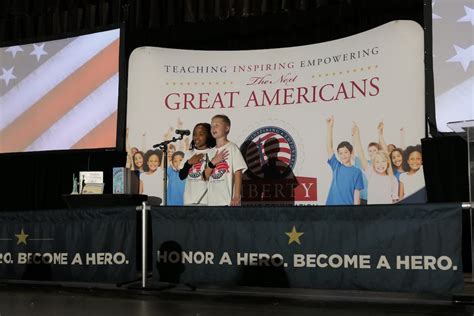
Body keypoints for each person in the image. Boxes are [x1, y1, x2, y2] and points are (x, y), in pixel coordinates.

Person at [204, 115, 247, 206]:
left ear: (227, 128)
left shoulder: (232, 148)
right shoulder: (210, 152)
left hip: (227, 201)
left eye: (217, 125)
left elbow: (238, 172)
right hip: (212, 201)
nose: (213, 128)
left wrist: (236, 196)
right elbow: (205, 176)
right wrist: (213, 162)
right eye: (212, 126)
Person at [353, 123, 398, 204]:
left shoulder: (393, 179)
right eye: (377, 162)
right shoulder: (371, 173)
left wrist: (380, 134)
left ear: (387, 162)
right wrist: (357, 134)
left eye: (383, 161)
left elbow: (395, 200)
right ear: (373, 164)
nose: (380, 164)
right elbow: (360, 153)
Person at [325, 116, 363, 205]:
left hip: (347, 210)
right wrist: (329, 127)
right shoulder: (336, 166)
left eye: (346, 152)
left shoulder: (357, 171)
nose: (343, 155)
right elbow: (329, 147)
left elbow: (356, 195)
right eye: (340, 153)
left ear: (350, 153)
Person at [179, 123, 216, 205]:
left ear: (208, 136)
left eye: (201, 134)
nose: (196, 137)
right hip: (189, 200)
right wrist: (189, 163)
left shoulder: (213, 153)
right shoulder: (189, 153)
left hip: (207, 200)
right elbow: (181, 176)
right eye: (194, 134)